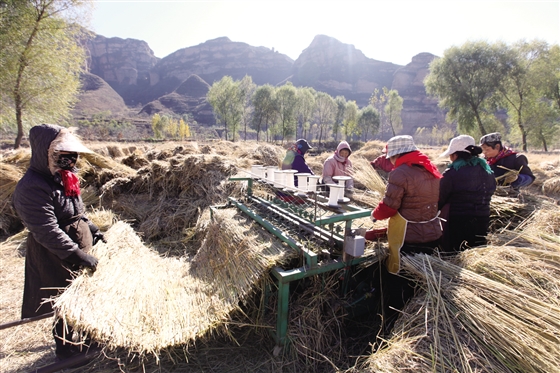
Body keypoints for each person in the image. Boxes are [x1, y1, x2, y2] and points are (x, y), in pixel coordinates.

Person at [12, 124, 104, 361]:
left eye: (73, 154)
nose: (71, 159)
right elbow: (46, 230)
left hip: (77, 245)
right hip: (55, 254)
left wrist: (92, 229)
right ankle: (66, 350)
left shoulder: (65, 178)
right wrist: (76, 255)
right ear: (46, 153)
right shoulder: (32, 186)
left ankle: (88, 338)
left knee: (83, 295)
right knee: (63, 299)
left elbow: (78, 211)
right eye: (64, 154)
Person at [371, 135, 442, 332]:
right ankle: (419, 323)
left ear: (397, 154)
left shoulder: (400, 173)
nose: (390, 161)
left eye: (390, 157)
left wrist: (374, 215)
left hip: (408, 237)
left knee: (398, 282)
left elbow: (389, 207)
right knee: (419, 281)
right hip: (432, 233)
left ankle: (393, 325)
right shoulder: (430, 168)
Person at [438, 135, 497, 253]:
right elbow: (491, 189)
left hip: (458, 222)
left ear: (455, 155)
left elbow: (440, 198)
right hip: (482, 219)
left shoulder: (452, 172)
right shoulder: (487, 170)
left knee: (456, 254)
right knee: (477, 252)